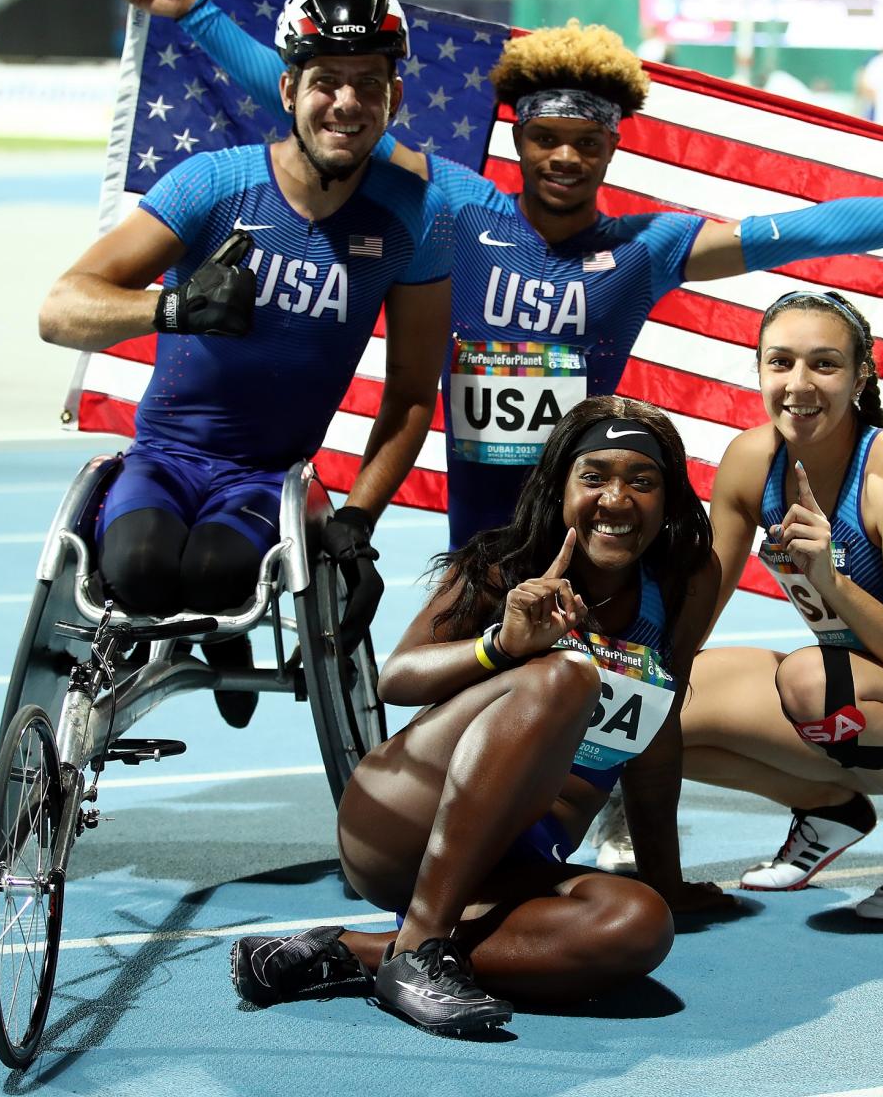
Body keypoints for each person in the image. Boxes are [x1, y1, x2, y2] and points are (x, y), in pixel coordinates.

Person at [117, 0, 883, 552]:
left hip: (593, 513)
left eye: (588, 142)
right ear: (518, 142)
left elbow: (814, 229)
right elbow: (335, 104)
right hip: (483, 518)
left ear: (613, 148)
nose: (565, 157)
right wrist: (194, 10)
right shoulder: (453, 207)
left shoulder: (648, 247)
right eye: (544, 138)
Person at [227, 395, 732, 1034]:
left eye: (642, 480)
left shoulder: (684, 578)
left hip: (518, 865)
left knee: (638, 925)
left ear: (668, 498)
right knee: (564, 677)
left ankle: (356, 952)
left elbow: (657, 725)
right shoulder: (507, 565)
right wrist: (503, 647)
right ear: (560, 490)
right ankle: (418, 946)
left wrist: (668, 880)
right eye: (594, 477)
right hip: (406, 825)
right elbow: (397, 678)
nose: (616, 499)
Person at [39, 0, 453, 726]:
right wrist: (172, 306)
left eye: (368, 84)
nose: (347, 104)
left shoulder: (411, 220)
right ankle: (207, 639)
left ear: (394, 96)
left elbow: (414, 395)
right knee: (136, 568)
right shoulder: (215, 184)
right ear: (289, 87)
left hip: (267, 479)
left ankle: (221, 636)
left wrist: (359, 520)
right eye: (327, 81)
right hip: (164, 456)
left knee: (218, 572)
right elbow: (61, 309)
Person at [676, 288, 883, 922]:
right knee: (654, 706)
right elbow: (701, 600)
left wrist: (832, 580)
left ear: (860, 375)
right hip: (843, 703)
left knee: (809, 676)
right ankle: (830, 808)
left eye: (824, 364)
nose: (798, 383)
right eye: (780, 362)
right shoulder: (750, 462)